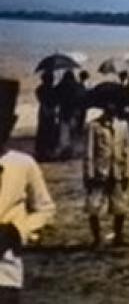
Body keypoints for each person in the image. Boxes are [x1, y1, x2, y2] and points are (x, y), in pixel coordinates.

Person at [0, 78, 57, 302]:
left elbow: (46, 209)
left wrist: (17, 231)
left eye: (3, 123)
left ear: (12, 123)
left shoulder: (22, 164)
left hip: (6, 273)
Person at [84, 99, 129, 248]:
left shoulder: (122, 126)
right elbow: (89, 152)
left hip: (117, 170)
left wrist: (127, 171)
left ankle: (119, 236)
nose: (111, 107)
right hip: (100, 172)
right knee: (94, 206)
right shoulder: (94, 126)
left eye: (114, 105)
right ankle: (97, 238)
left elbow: (127, 150)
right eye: (108, 105)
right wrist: (89, 174)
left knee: (120, 205)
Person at [55, 70, 82, 160]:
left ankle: (65, 152)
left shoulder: (61, 86)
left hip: (63, 113)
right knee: (73, 133)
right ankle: (72, 151)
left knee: (64, 134)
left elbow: (55, 96)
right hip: (73, 113)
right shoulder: (76, 86)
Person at [34, 71, 59, 162]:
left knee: (42, 131)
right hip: (51, 112)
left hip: (43, 111)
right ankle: (48, 152)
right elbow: (56, 101)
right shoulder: (53, 90)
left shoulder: (39, 89)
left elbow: (40, 98)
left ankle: (40, 152)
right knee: (50, 132)